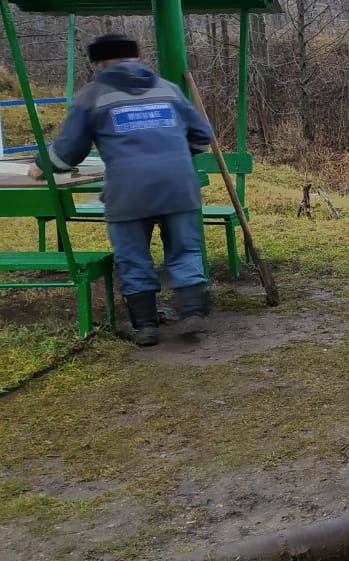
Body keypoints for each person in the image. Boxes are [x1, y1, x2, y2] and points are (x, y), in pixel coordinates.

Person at [27, 33, 215, 346]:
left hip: (129, 191)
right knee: (185, 250)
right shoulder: (168, 89)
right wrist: (169, 155)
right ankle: (193, 313)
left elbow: (69, 151)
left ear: (99, 63)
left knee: (133, 256)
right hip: (179, 186)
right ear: (136, 58)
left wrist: (40, 165)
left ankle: (145, 327)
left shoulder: (93, 95)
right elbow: (201, 138)